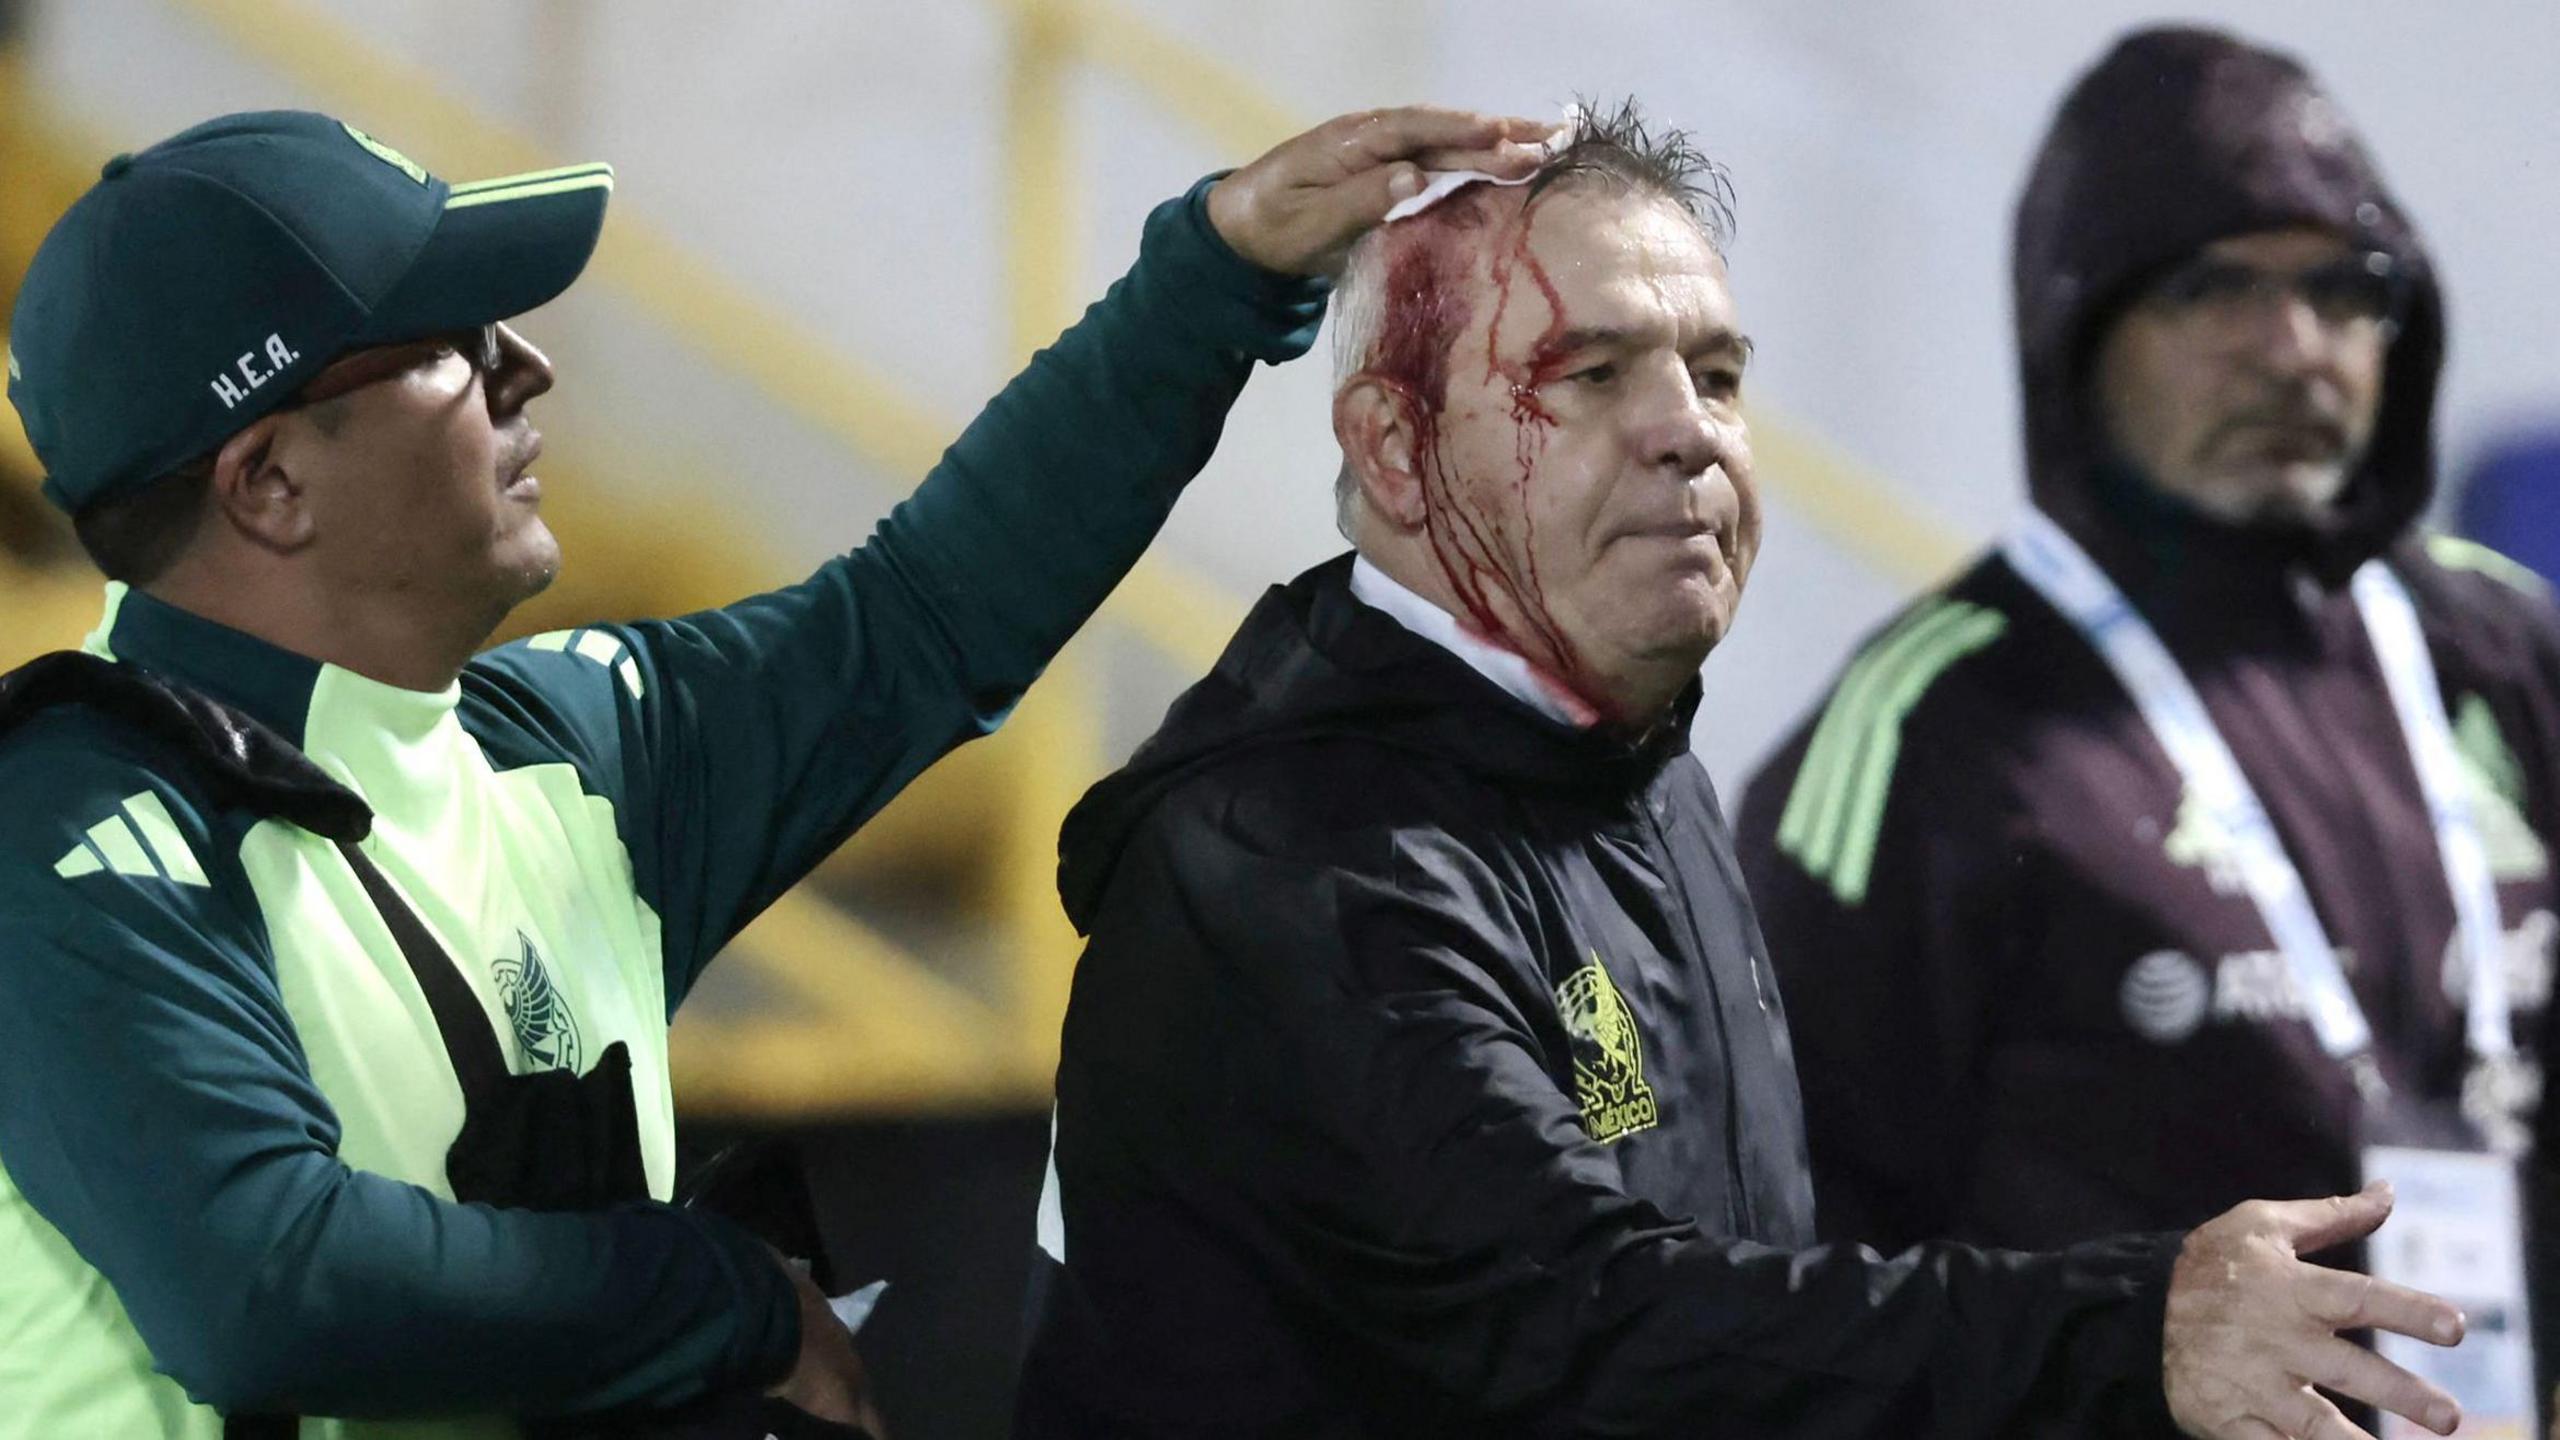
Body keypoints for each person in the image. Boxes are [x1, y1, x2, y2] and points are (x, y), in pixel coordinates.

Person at [0, 103, 1552, 1439]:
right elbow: (266, 1282)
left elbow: (926, 615)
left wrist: (1218, 272)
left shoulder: (560, 747)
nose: (526, 365)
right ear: (271, 482)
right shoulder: (62, 829)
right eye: (449, 343)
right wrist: (723, 1299)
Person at [1017, 98, 2469, 1440]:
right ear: (1393, 451)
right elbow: (1594, 1332)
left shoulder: (1618, 761)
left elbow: (1747, 1309)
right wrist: (2133, 1331)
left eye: (1715, 375)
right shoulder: (1299, 863)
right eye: (1588, 376)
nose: (1688, 434)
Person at [1734, 25, 2558, 1426]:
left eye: (2341, 288)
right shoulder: (1930, 727)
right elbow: (1796, 1286)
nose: (2292, 349)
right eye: (2214, 287)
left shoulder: (2505, 654)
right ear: (2077, 330)